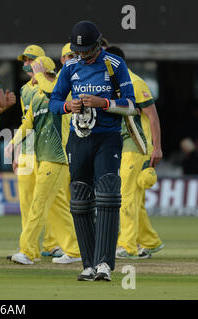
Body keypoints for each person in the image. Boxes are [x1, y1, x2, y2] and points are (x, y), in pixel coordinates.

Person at [49, 21, 136, 281]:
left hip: (108, 137)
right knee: (80, 197)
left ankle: (105, 264)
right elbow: (53, 102)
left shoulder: (115, 65)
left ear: (98, 44)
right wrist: (68, 107)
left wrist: (105, 103)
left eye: (87, 49)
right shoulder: (70, 66)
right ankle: (88, 265)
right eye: (79, 50)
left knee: (108, 194)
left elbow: (131, 106)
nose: (83, 55)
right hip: (79, 138)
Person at [5, 56, 81, 265]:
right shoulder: (37, 95)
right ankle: (74, 250)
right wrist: (13, 143)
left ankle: (27, 251)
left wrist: (41, 75)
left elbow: (51, 91)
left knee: (38, 203)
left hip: (56, 158)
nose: (31, 75)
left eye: (35, 70)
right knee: (56, 207)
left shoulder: (60, 90)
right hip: (44, 158)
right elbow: (28, 122)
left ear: (46, 72)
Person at [104, 45, 164, 259]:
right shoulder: (114, 83)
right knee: (135, 200)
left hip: (136, 146)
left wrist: (156, 147)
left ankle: (127, 246)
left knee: (127, 197)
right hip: (123, 146)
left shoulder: (135, 83)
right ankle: (147, 243)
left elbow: (153, 117)